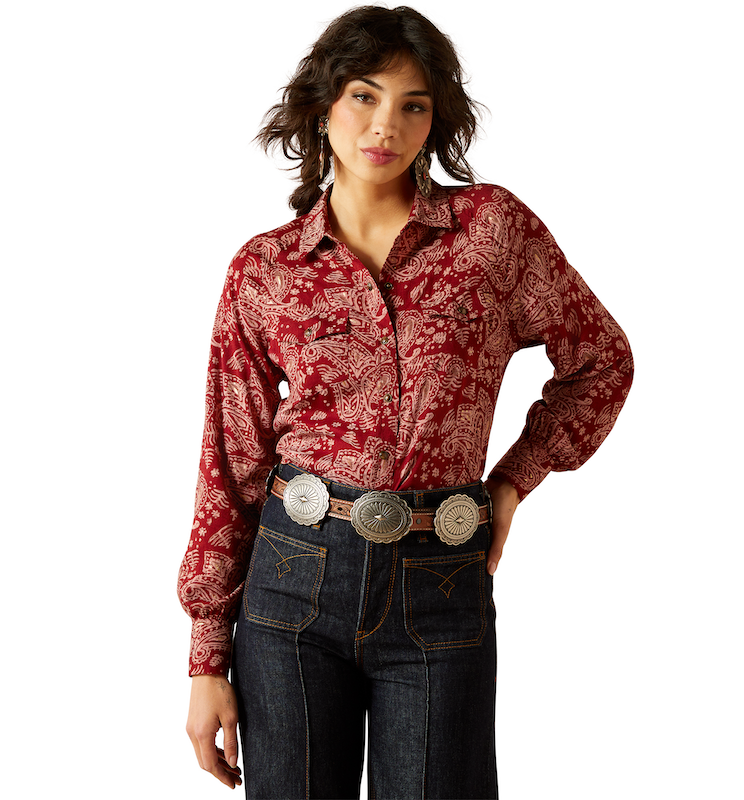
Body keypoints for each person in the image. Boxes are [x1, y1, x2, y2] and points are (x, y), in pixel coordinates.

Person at [178, 6, 633, 798]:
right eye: (364, 95)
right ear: (323, 105)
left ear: (435, 120)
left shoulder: (490, 233)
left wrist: (512, 483)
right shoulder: (265, 269)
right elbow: (231, 461)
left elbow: (601, 361)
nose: (385, 124)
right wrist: (206, 656)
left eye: (413, 104)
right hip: (291, 581)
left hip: (441, 581)